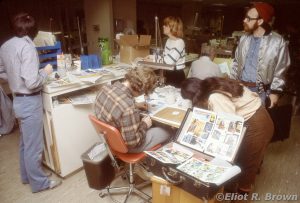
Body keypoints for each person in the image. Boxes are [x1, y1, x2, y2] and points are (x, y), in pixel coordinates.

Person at [0, 12, 61, 192]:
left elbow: (0, 70)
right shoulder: (28, 47)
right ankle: (39, 183)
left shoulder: (6, 45)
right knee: (34, 146)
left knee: (25, 143)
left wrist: (14, 79)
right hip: (29, 101)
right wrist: (46, 71)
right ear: (33, 30)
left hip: (18, 100)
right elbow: (32, 82)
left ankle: (28, 176)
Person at [181, 77, 274, 195]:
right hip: (257, 116)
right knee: (246, 159)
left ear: (194, 96)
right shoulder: (213, 84)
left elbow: (229, 129)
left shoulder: (214, 97)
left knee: (247, 165)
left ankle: (241, 196)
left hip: (256, 125)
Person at [94, 67, 171, 153]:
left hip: (109, 140)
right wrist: (145, 124)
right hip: (126, 147)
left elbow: (117, 105)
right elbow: (133, 143)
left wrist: (135, 105)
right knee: (167, 132)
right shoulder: (129, 108)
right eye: (143, 93)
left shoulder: (104, 89)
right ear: (139, 90)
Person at [231, 2, 290, 108]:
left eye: (248, 18)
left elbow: (281, 70)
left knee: (258, 123)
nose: (244, 20)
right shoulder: (244, 39)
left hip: (261, 93)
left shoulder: (277, 41)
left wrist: (275, 92)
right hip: (240, 90)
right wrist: (231, 84)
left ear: (260, 21)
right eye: (245, 17)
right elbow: (236, 63)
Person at [162, 16, 186, 88]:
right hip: (169, 72)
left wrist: (153, 59)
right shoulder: (168, 40)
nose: (163, 26)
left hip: (177, 75)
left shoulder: (179, 42)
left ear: (172, 28)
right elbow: (164, 57)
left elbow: (169, 61)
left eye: (166, 25)